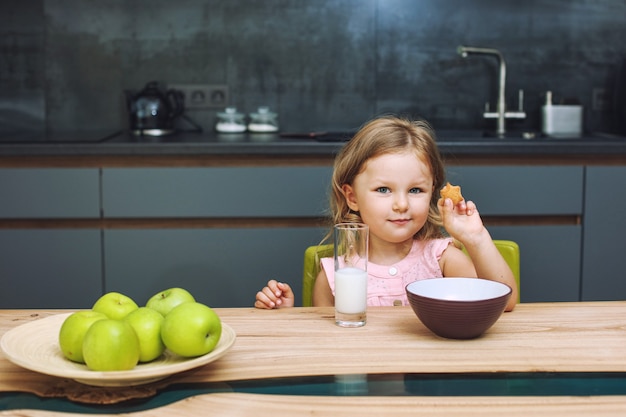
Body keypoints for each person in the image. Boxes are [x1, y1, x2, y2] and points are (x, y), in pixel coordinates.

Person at [254, 116, 518, 312]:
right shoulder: (337, 275)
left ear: (432, 193)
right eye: (383, 189)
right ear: (352, 197)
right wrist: (284, 316)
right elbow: (328, 344)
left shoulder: (441, 259)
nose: (401, 204)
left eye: (415, 190)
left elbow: (505, 302)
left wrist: (477, 239)